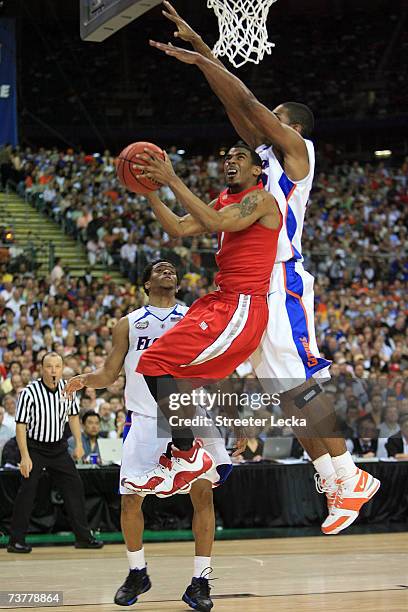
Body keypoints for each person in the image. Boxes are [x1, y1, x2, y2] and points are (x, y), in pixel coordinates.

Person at [149, 1, 381, 534]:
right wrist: (204, 56)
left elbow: (247, 103)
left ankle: (350, 474)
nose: (261, 122)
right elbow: (238, 105)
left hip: (282, 280)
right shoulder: (263, 159)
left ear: (291, 125)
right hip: (252, 284)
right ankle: (332, 476)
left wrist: (207, 57)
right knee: (283, 392)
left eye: (273, 117)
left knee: (302, 385)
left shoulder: (298, 152)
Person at [65, 261, 232, 611]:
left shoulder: (194, 316)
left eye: (171, 269)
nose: (167, 271)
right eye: (159, 269)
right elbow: (110, 373)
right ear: (146, 283)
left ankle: (200, 581)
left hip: (190, 413)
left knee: (203, 498)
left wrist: (233, 417)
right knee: (130, 499)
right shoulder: (128, 323)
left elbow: (217, 367)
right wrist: (84, 379)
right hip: (143, 417)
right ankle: (137, 572)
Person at [128, 143, 281, 496]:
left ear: (257, 170)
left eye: (239, 157)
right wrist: (150, 192)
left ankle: (187, 455)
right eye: (226, 156)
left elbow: (214, 223)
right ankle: (188, 455)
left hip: (242, 306)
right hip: (220, 301)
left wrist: (171, 178)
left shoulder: (261, 200)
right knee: (163, 370)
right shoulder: (225, 199)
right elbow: (179, 227)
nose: (230, 161)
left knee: (155, 363)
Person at [7, 352, 103, 553]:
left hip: (58, 448)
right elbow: (20, 426)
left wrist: (78, 443)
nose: (53, 371)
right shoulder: (29, 392)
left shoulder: (69, 389)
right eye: (49, 366)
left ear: (62, 368)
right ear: (42, 369)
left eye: (57, 366)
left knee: (74, 486)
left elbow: (74, 417)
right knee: (27, 491)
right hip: (35, 447)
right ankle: (16, 540)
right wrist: (24, 456)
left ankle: (83, 537)